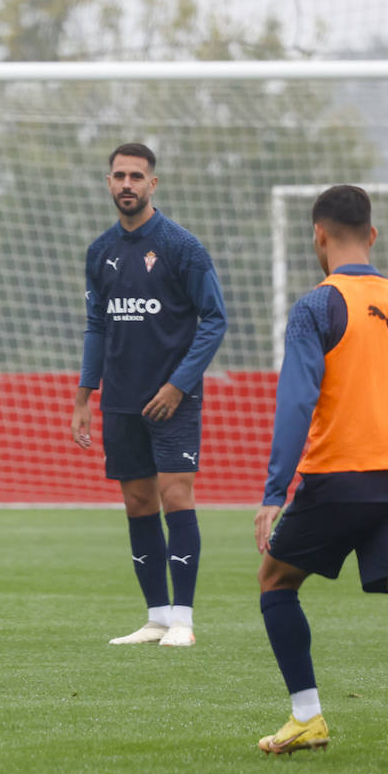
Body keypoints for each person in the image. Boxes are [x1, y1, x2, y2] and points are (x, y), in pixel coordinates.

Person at [254, 185, 388, 765]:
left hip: (339, 482)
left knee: (275, 580)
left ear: (318, 235)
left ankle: (306, 717)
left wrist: (275, 492)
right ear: (371, 235)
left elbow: (296, 403)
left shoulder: (317, 306)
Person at [71, 143, 227, 648]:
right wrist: (83, 397)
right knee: (137, 502)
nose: (127, 184)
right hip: (120, 399)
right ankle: (156, 617)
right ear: (109, 181)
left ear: (152, 184)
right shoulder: (100, 252)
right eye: (119, 175)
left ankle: (183, 619)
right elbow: (96, 325)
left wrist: (178, 385)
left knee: (175, 495)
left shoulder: (182, 247)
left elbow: (215, 319)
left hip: (173, 400)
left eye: (137, 176)